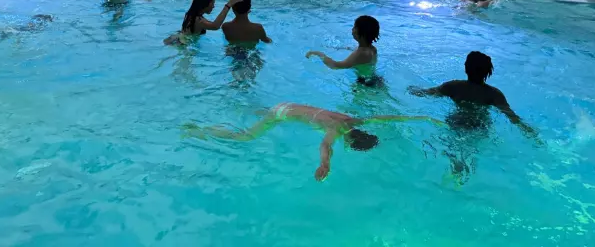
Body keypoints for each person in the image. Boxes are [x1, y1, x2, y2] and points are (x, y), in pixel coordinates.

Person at [186, 103, 442, 181]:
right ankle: (200, 130)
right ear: (351, 143)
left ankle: (243, 109)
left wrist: (421, 117)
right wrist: (325, 165)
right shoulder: (337, 130)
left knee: (263, 117)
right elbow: (325, 145)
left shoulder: (351, 120)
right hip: (281, 113)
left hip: (288, 104)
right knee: (245, 137)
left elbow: (383, 117)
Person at [408, 51, 537, 138]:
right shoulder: (494, 94)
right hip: (480, 127)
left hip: (456, 123)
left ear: (466, 68)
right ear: (488, 71)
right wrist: (526, 128)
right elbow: (511, 116)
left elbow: (429, 93)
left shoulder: (453, 86)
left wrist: (411, 89)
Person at [305, 15, 381, 87]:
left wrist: (319, 54)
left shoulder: (360, 54)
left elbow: (335, 66)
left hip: (365, 85)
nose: (352, 29)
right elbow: (357, 51)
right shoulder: (372, 49)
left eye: (355, 27)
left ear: (362, 33)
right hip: (374, 80)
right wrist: (341, 48)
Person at [164, 0, 242, 44]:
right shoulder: (199, 20)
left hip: (177, 38)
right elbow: (215, 26)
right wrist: (228, 5)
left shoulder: (190, 14)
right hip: (183, 45)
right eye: (212, 3)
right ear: (205, 4)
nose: (213, 6)